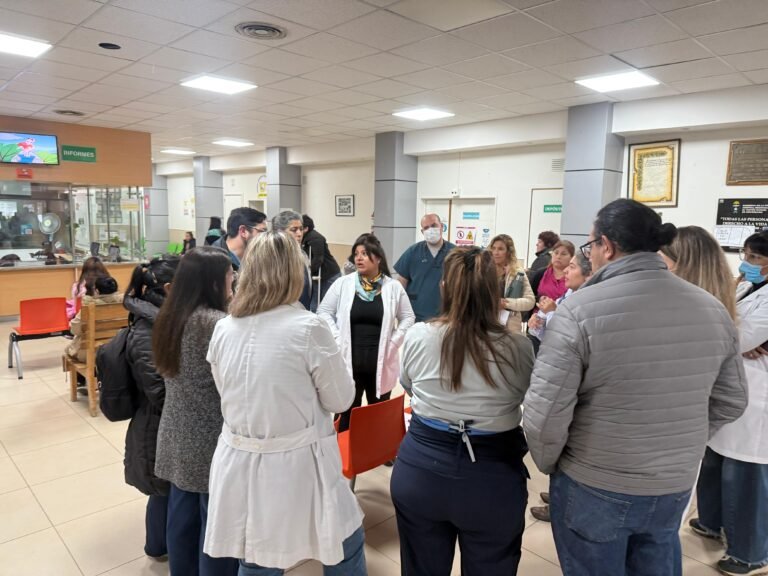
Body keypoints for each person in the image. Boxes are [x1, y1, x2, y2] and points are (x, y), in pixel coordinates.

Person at [523, 199, 748, 576]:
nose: (589, 255)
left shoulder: (578, 311)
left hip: (595, 481)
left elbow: (544, 414)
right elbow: (732, 400)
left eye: (590, 245)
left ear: (607, 246)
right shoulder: (711, 308)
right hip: (672, 484)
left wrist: (552, 463)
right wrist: (679, 444)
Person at [204, 232, 366, 575]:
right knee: (345, 544)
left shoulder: (224, 328)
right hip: (298, 464)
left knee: (256, 554)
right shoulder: (308, 328)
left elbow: (226, 390)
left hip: (238, 458)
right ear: (295, 274)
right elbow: (341, 399)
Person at [391, 246, 534, 576]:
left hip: (421, 470)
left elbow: (409, 385)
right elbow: (527, 396)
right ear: (495, 293)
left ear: (445, 288)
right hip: (492, 477)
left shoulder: (419, 336)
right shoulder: (518, 347)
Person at [152, 247, 237, 576]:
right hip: (208, 436)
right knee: (215, 522)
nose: (233, 279)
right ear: (213, 281)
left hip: (175, 428)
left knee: (182, 514)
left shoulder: (171, 315)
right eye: (229, 274)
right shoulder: (216, 323)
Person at [687, 230, 768, 576]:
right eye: (745, 255)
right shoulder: (746, 287)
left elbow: (739, 336)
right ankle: (712, 522)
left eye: (755, 258)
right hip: (729, 389)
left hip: (757, 398)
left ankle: (750, 553)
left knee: (746, 475)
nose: (746, 263)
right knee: (715, 462)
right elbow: (719, 326)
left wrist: (731, 334)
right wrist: (731, 333)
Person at [318, 233, 415, 432]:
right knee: (345, 414)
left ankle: (376, 446)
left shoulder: (393, 287)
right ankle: (343, 448)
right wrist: (336, 336)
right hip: (349, 361)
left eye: (364, 254)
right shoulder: (343, 284)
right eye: (356, 254)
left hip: (380, 361)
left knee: (378, 415)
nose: (359, 258)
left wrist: (394, 342)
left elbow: (408, 317)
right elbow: (324, 311)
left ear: (377, 258)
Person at [526, 252, 593, 523]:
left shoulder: (585, 304)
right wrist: (540, 321)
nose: (566, 271)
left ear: (588, 274)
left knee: (568, 444)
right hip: (557, 371)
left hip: (570, 382)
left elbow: (569, 340)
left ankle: (561, 504)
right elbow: (551, 335)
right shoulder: (569, 296)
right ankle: (557, 496)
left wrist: (553, 314)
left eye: (572, 267)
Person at [123, 255, 181, 560]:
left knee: (168, 487)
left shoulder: (163, 318)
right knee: (163, 489)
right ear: (169, 288)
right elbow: (158, 391)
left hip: (165, 420)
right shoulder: (148, 328)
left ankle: (161, 544)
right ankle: (157, 547)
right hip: (155, 423)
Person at [394, 213, 456, 322]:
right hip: (416, 317)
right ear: (422, 232)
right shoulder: (413, 252)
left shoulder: (454, 253)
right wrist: (396, 310)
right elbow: (401, 282)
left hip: (445, 318)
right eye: (426, 228)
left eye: (434, 225)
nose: (430, 230)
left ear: (442, 226)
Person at [527, 240, 574, 354]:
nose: (558, 256)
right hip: (537, 324)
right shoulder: (540, 274)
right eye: (556, 252)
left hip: (560, 327)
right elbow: (530, 296)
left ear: (572, 258)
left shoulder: (574, 278)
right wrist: (539, 300)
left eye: (563, 254)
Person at [66, 275, 123, 363]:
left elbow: (74, 330)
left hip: (92, 352)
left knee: (70, 350)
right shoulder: (125, 303)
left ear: (97, 291)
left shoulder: (89, 306)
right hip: (118, 351)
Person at [489, 234, 535, 333]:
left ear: (509, 252)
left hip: (510, 327)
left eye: (500, 249)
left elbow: (530, 301)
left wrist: (506, 303)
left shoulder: (517, 272)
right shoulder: (484, 271)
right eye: (493, 248)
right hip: (487, 324)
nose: (496, 252)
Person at [272, 210, 311, 310]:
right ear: (280, 232)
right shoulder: (273, 257)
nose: (299, 234)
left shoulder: (302, 254)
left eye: (301, 229)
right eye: (294, 230)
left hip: (303, 309)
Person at [302, 214, 341, 312]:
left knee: (327, 303)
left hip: (329, 275)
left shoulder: (315, 238)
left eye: (299, 228)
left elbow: (318, 259)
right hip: (318, 275)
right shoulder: (305, 238)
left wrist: (307, 272)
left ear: (306, 228)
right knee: (315, 302)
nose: (297, 232)